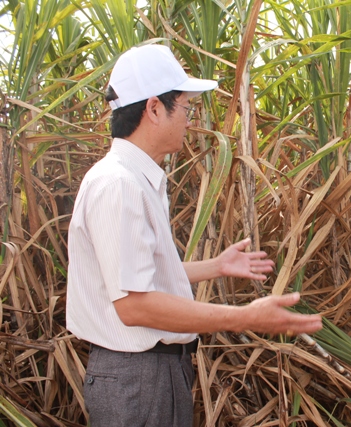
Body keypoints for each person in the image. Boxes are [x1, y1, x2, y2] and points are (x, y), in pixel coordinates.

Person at [66, 43, 323, 427]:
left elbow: (137, 278)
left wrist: (215, 266)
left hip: (152, 375)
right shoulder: (118, 184)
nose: (190, 119)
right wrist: (244, 318)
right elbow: (134, 305)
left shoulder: (138, 178)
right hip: (136, 380)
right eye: (187, 107)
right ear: (154, 108)